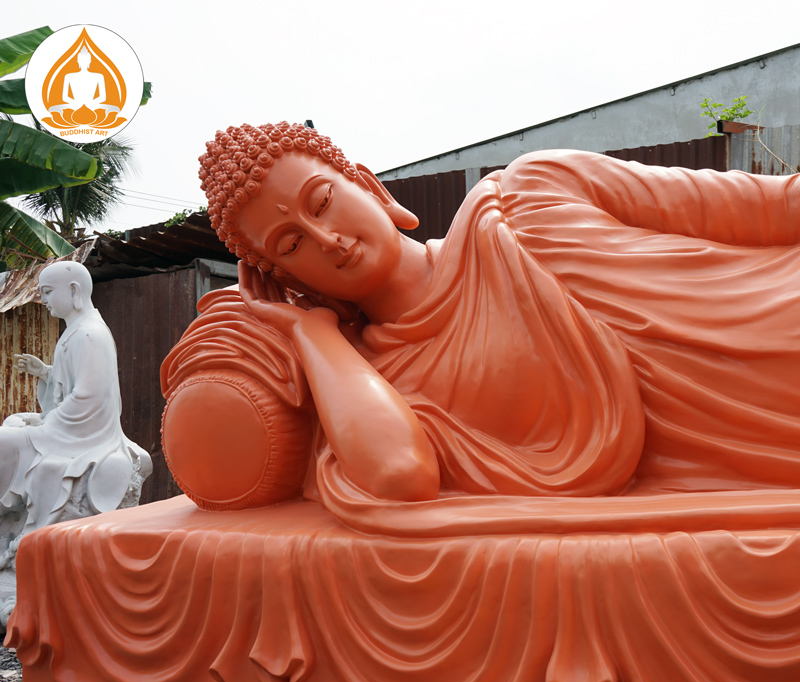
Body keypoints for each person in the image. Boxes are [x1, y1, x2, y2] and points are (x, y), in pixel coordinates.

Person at [170, 121, 800, 536]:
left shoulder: (532, 189)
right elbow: (399, 475)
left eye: (322, 203)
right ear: (285, 277)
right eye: (291, 245)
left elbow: (766, 207)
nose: (328, 240)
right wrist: (314, 335)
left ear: (365, 185)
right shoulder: (381, 384)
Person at [1, 260, 152, 537]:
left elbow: (89, 397)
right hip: (68, 424)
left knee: (4, 439)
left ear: (73, 291)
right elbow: (72, 387)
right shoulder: (76, 330)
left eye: (48, 292)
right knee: (14, 420)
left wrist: (46, 424)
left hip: (85, 433)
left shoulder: (89, 333)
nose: (43, 300)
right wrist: (45, 372)